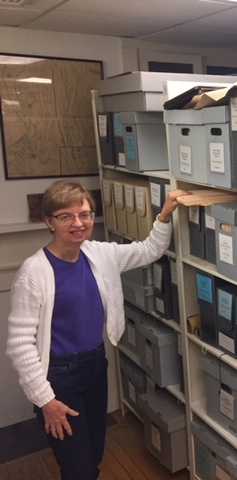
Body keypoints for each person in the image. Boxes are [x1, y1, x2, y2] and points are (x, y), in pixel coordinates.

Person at [6, 180, 189, 480]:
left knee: (93, 455)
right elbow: (19, 345)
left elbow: (148, 250)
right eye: (66, 216)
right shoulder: (34, 273)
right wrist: (46, 401)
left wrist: (165, 213)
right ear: (49, 222)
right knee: (79, 469)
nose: (78, 223)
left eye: (85, 215)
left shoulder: (98, 254)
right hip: (58, 380)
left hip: (94, 367)